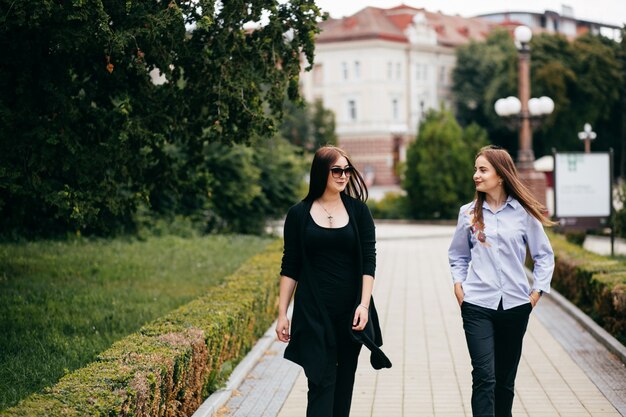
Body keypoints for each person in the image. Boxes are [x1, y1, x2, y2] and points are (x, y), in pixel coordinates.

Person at [276, 145, 391, 417]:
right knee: (320, 379)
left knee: (344, 382)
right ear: (321, 173)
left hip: (350, 311)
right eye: (336, 170)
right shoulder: (298, 214)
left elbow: (368, 262)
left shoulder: (359, 212)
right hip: (313, 311)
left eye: (347, 170)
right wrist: (282, 313)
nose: (343, 175)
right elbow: (290, 265)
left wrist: (363, 305)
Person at [448, 145, 555, 417]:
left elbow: (544, 255)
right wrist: (459, 285)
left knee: (505, 382)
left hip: (516, 307)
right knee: (484, 377)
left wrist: (536, 293)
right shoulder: (468, 214)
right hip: (476, 306)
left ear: (501, 175)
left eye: (483, 169)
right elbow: (458, 254)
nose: (476, 175)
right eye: (476, 169)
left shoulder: (523, 214)